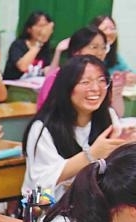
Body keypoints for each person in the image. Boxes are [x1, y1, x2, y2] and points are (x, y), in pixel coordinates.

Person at [22, 55, 130, 200]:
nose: (95, 89)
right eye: (85, 82)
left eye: (102, 81)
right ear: (67, 86)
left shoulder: (108, 116)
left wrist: (124, 149)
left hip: (95, 208)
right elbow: (41, 182)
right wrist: (91, 155)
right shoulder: (43, 128)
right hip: (50, 212)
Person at [37, 26, 125, 116]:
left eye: (103, 48)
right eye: (94, 47)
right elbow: (49, 115)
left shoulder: (103, 79)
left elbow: (117, 115)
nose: (100, 53)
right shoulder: (56, 78)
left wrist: (116, 94)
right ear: (76, 51)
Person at [3, 11, 55, 80]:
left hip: (34, 88)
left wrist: (58, 50)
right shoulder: (18, 45)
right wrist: (39, 42)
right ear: (29, 29)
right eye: (40, 26)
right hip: (15, 87)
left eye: (46, 26)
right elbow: (22, 66)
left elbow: (48, 71)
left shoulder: (45, 48)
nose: (43, 30)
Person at [92, 15, 136, 82]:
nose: (110, 32)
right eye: (105, 29)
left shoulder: (114, 56)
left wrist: (129, 76)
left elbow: (129, 72)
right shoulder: (86, 54)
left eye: (112, 29)